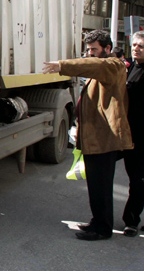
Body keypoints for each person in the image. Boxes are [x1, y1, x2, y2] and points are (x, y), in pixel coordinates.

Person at [43, 29, 132, 241]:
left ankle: (102, 229)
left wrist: (62, 66)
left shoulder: (113, 65)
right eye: (88, 50)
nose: (90, 54)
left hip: (104, 140)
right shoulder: (102, 68)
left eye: (94, 50)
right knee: (95, 184)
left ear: (107, 49)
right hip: (95, 139)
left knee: (101, 186)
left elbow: (96, 65)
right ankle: (97, 221)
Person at [122, 31, 144, 237]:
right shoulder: (128, 67)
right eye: (135, 45)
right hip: (130, 136)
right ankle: (132, 219)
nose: (136, 48)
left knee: (139, 181)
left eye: (141, 46)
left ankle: (132, 220)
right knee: (136, 180)